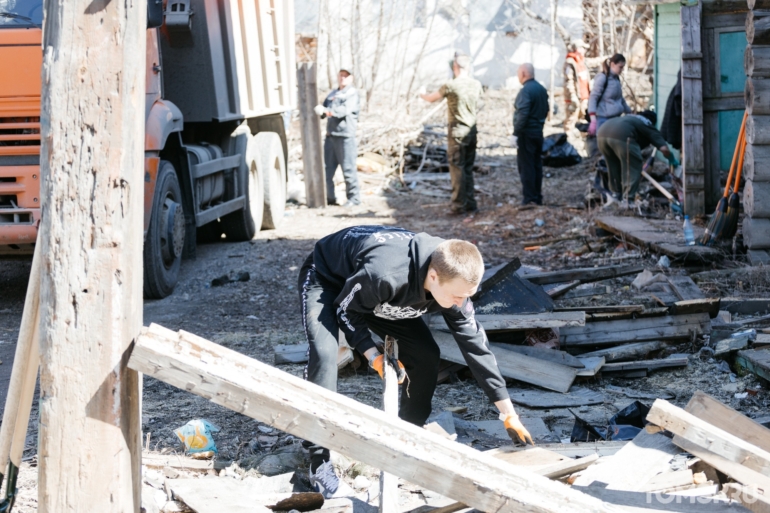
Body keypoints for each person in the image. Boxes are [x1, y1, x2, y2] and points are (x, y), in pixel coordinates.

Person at [298, 225, 533, 497]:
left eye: (467, 296)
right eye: (458, 296)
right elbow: (345, 310)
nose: (461, 302)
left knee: (425, 354)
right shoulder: (385, 274)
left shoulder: (453, 280)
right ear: (433, 277)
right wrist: (372, 355)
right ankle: (319, 458)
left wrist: (508, 413)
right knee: (324, 358)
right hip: (331, 279)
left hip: (375, 295)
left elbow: (476, 348)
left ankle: (407, 437)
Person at [420, 53, 482, 215]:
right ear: (468, 67)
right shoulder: (476, 84)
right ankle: (470, 203)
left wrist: (421, 93)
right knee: (467, 168)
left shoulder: (451, 85)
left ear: (454, 66)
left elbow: (430, 98)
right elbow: (479, 103)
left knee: (457, 169)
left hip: (457, 133)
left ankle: (459, 205)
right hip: (472, 131)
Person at [597, 110, 679, 204]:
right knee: (632, 166)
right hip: (622, 136)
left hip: (601, 134)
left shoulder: (629, 118)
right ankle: (627, 200)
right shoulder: (647, 124)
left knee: (613, 166)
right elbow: (664, 149)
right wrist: (671, 159)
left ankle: (615, 195)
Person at [315, 66, 361, 207]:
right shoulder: (333, 93)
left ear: (351, 78)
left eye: (346, 75)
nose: (343, 77)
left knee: (348, 169)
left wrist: (328, 112)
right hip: (331, 137)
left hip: (345, 137)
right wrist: (322, 111)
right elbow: (325, 108)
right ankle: (330, 198)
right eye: (341, 75)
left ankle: (354, 199)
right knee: (327, 169)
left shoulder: (352, 93)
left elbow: (343, 111)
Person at [512, 63, 549, 206]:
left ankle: (529, 199)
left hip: (526, 133)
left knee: (526, 166)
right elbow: (546, 109)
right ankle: (537, 197)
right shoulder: (541, 89)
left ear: (523, 74)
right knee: (536, 165)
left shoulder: (526, 91)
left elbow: (523, 113)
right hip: (538, 132)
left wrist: (516, 133)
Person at [588, 54, 632, 136]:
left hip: (616, 118)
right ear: (612, 65)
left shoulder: (616, 79)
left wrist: (629, 111)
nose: (621, 70)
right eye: (620, 67)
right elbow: (593, 97)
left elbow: (620, 98)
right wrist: (593, 119)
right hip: (604, 119)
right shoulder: (603, 78)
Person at [563, 40, 592, 135]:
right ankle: (567, 137)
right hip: (574, 97)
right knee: (571, 117)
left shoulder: (582, 61)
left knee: (582, 117)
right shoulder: (570, 62)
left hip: (584, 96)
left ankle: (579, 135)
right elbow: (569, 81)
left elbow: (593, 62)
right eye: (582, 48)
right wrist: (572, 96)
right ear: (577, 49)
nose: (584, 50)